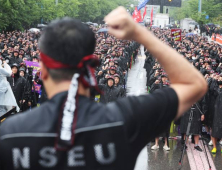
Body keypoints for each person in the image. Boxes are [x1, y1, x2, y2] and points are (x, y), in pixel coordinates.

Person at [0, 7, 207, 170]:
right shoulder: (123, 119)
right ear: (92, 64)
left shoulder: (10, 134)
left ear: (42, 70)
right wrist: (140, 33)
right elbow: (195, 84)